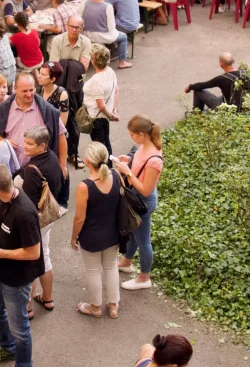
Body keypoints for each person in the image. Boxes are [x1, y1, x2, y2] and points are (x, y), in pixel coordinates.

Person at [0, 164, 43, 367]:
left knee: (20, 329)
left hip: (17, 279)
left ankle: (24, 364)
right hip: (0, 270)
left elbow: (34, 252)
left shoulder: (24, 212)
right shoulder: (3, 198)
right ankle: (8, 347)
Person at [14, 126, 62, 318]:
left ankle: (27, 309)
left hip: (36, 220)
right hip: (48, 216)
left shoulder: (34, 170)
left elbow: (29, 203)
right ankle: (47, 298)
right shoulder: (52, 158)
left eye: (29, 144)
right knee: (45, 256)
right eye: (25, 142)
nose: (25, 146)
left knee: (31, 262)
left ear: (41, 145)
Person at [70, 141, 120, 319]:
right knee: (111, 267)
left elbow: (79, 218)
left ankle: (95, 307)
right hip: (114, 233)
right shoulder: (116, 175)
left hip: (91, 236)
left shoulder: (85, 186)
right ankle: (113, 306)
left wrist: (74, 237)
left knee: (92, 271)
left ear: (87, 161)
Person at [115, 114, 163, 290]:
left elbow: (145, 189)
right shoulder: (144, 147)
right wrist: (130, 160)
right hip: (135, 197)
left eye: (132, 135)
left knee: (143, 240)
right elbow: (139, 162)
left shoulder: (155, 161)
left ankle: (144, 277)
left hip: (143, 201)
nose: (131, 138)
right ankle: (127, 261)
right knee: (134, 231)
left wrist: (127, 172)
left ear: (142, 134)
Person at [0, 71, 67, 176]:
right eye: (24, 91)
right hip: (11, 170)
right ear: (15, 89)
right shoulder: (2, 110)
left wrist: (62, 165)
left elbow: (61, 136)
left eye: (31, 90)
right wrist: (4, 141)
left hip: (40, 172)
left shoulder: (47, 111)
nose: (29, 94)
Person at [82, 0, 130, 68]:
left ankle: (112, 50)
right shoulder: (107, 6)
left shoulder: (86, 2)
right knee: (123, 37)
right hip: (101, 35)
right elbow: (111, 27)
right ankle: (122, 62)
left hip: (86, 33)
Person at [83, 44, 118, 157]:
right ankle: (110, 168)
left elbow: (101, 105)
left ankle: (103, 170)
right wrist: (114, 110)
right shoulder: (111, 72)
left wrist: (111, 116)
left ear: (93, 62)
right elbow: (117, 90)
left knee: (99, 148)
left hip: (95, 117)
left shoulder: (96, 80)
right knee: (106, 143)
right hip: (104, 116)